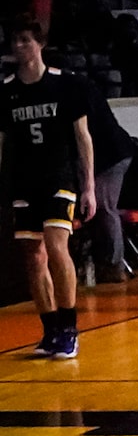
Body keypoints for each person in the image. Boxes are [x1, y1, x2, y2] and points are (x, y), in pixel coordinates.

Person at [2, 21, 95, 358]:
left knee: (57, 245)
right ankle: (51, 328)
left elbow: (83, 137)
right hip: (25, 181)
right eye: (15, 40)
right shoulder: (7, 90)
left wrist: (89, 187)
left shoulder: (65, 85)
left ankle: (70, 328)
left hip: (60, 177)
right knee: (33, 255)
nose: (20, 46)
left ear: (40, 44)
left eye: (26, 39)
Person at [81, 71, 137, 284]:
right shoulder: (85, 88)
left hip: (113, 156)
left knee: (104, 207)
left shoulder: (81, 92)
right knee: (100, 207)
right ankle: (104, 261)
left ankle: (114, 265)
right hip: (109, 154)